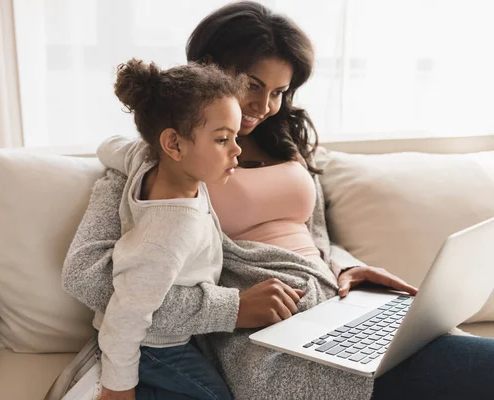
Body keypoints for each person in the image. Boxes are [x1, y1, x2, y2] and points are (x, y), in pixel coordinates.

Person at [63, 2, 494, 399]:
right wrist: (231, 307)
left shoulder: (284, 142)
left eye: (279, 92)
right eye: (252, 85)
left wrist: (345, 266)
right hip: (274, 334)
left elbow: (313, 234)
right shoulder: (159, 158)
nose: (264, 106)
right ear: (210, 68)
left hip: (339, 306)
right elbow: (87, 275)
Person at [95, 59, 248, 400]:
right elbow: (127, 314)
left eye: (235, 136)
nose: (237, 150)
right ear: (174, 144)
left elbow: (108, 147)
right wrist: (117, 389)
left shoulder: (145, 158)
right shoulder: (170, 231)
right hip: (154, 345)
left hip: (163, 336)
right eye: (223, 139)